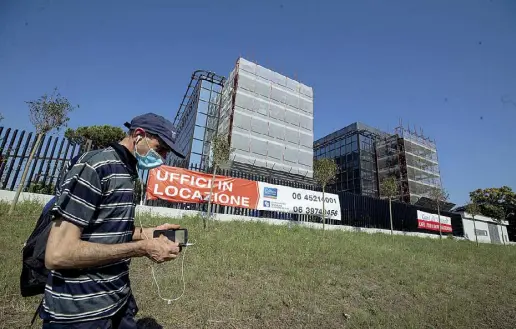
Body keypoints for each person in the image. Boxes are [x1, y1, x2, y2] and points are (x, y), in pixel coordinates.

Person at [40, 113, 185, 328]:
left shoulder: (127, 172)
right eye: (160, 148)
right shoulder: (95, 166)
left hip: (117, 302)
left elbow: (108, 229)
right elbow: (58, 253)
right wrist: (141, 248)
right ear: (139, 135)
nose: (163, 157)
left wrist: (150, 233)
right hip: (81, 313)